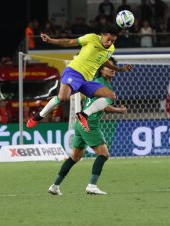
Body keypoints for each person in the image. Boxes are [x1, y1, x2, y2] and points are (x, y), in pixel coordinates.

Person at [26, 27, 133, 131]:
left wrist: (120, 69)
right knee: (63, 98)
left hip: (87, 81)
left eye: (113, 41)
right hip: (74, 72)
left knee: (111, 96)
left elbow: (104, 61)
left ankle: (84, 115)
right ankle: (38, 117)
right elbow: (69, 42)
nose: (110, 43)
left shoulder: (111, 49)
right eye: (108, 40)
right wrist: (50, 40)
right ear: (103, 35)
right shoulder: (91, 38)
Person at [48, 57, 127, 196]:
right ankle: (92, 185)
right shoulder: (103, 87)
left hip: (80, 124)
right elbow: (104, 108)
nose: (112, 69)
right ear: (101, 70)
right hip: (88, 123)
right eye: (109, 67)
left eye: (114, 66)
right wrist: (119, 110)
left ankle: (55, 186)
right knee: (103, 154)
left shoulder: (96, 83)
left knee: (75, 158)